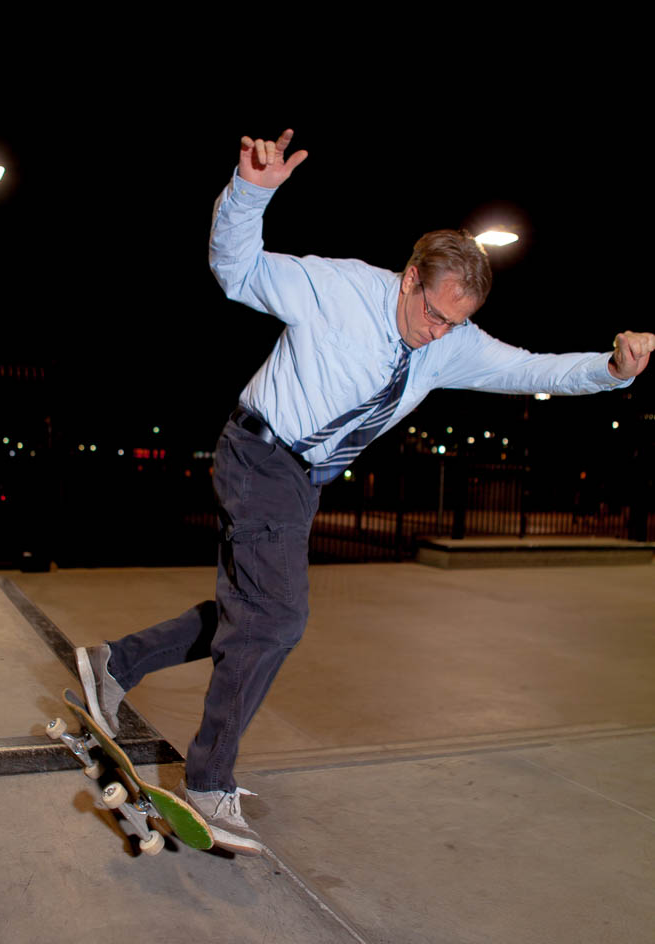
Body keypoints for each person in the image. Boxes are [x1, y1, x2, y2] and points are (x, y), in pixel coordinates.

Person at [75, 128, 655, 856]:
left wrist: (611, 368)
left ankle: (114, 663)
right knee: (277, 619)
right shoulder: (340, 288)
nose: (438, 334)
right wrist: (250, 192)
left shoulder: (450, 341)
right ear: (410, 277)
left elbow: (528, 369)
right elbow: (237, 270)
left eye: (456, 323)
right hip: (258, 454)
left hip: (302, 479)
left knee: (249, 608)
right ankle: (207, 778)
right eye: (433, 314)